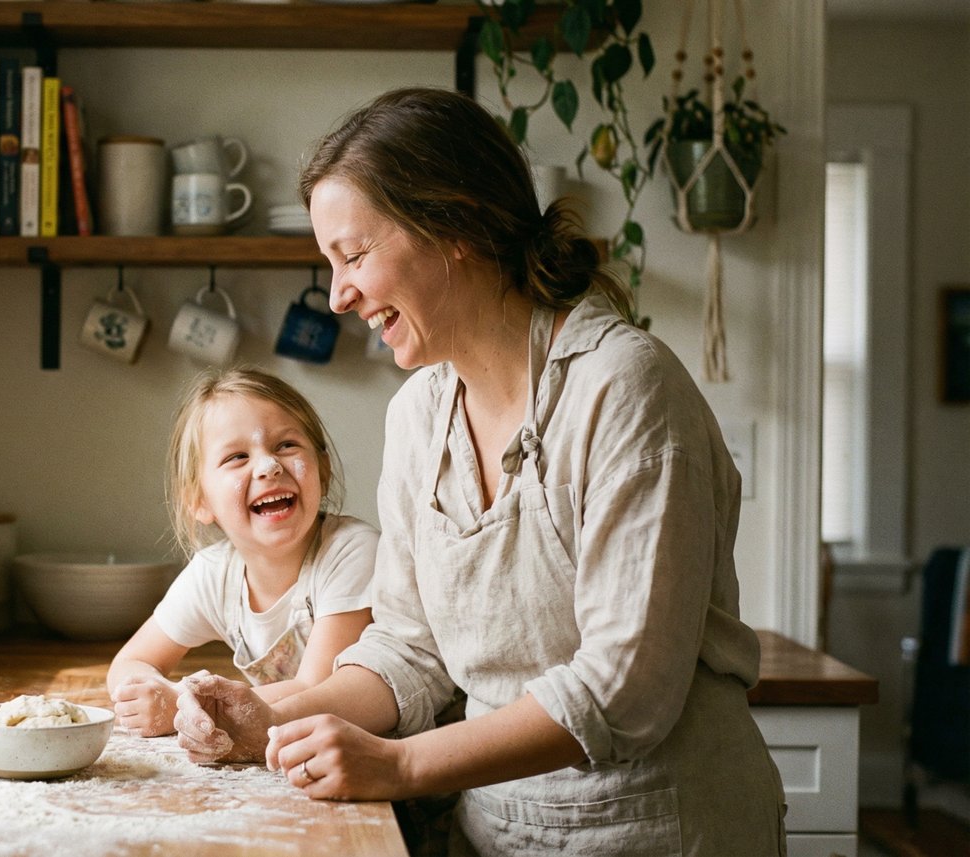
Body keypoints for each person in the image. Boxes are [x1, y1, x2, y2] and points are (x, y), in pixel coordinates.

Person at [172, 87, 787, 855]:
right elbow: (408, 649)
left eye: (354, 255)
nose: (338, 295)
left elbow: (625, 688)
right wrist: (272, 716)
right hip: (495, 833)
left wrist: (399, 764)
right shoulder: (419, 415)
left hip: (660, 828)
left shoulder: (626, 388)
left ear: (453, 225)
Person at [106, 367, 378, 737]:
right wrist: (152, 694)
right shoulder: (214, 574)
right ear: (200, 502)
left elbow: (315, 689)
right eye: (236, 457)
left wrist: (185, 705)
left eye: (286, 445)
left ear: (323, 470)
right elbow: (131, 662)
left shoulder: (351, 551)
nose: (269, 466)